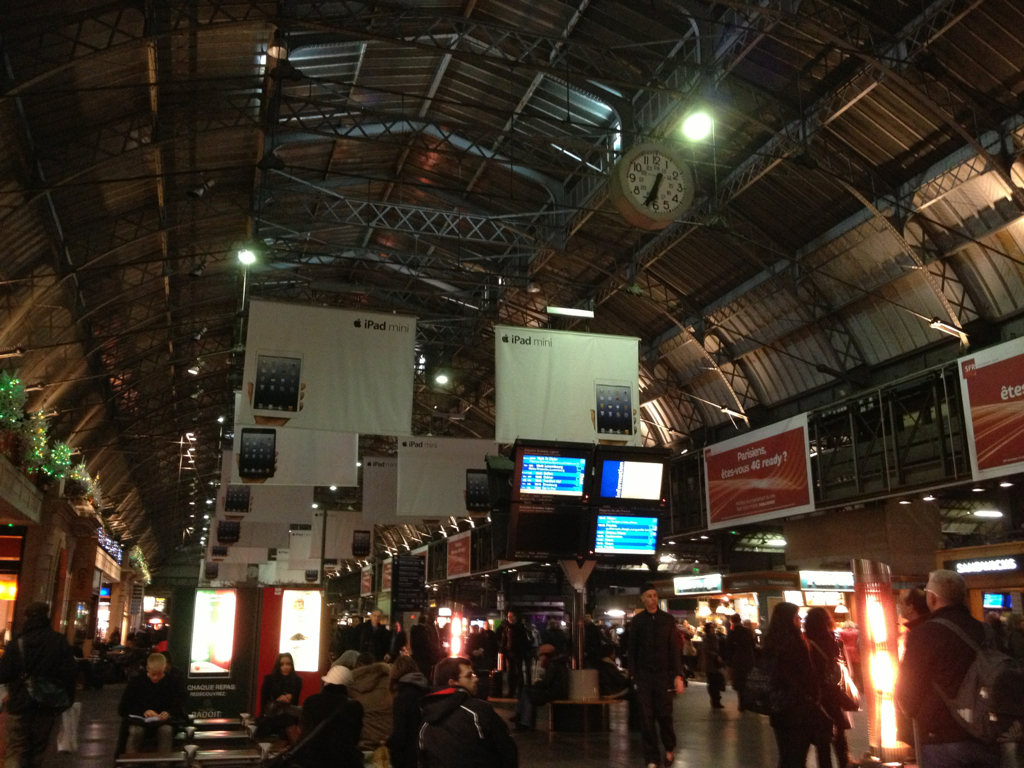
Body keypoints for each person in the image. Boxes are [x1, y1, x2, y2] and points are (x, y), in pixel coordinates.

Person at [895, 569, 1001, 768]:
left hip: (941, 736)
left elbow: (907, 692)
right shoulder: (986, 631)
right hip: (987, 734)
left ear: (933, 598)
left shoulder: (924, 634)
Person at [0, 601, 77, 768]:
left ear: (26, 617)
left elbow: (4, 673)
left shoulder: (17, 642)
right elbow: (70, 674)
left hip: (19, 703)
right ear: (46, 617)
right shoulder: (58, 641)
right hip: (47, 704)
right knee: (39, 749)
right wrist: (67, 701)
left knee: (16, 749)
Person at [763, 602, 830, 768]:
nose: (800, 620)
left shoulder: (770, 642)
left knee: (786, 756)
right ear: (790, 618)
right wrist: (813, 697)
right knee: (798, 757)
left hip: (779, 707)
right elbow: (806, 675)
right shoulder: (796, 642)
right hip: (799, 708)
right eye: (797, 616)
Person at [419, 656, 518, 768]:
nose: (476, 679)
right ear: (453, 682)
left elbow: (422, 759)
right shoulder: (479, 711)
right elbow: (507, 751)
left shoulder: (425, 717)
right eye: (469, 676)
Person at [628, 583, 685, 768]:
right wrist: (634, 675)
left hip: (663, 675)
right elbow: (632, 651)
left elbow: (674, 649)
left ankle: (669, 746)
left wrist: (678, 675)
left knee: (664, 714)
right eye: (649, 596)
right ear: (643, 599)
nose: (653, 599)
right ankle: (651, 757)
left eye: (655, 595)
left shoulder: (668, 620)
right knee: (646, 718)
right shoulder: (637, 622)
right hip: (644, 677)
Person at [805, 606, 853, 768]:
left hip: (817, 694)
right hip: (834, 692)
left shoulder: (807, 643)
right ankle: (844, 763)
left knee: (822, 739)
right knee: (840, 735)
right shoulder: (834, 641)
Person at [118, 652, 188, 754]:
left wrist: (169, 713)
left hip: (163, 722)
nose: (155, 678)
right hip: (140, 721)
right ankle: (130, 763)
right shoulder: (136, 681)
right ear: (147, 669)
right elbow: (123, 708)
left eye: (159, 674)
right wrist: (143, 711)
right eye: (153, 674)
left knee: (166, 730)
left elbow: (178, 704)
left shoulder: (171, 682)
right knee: (135, 732)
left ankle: (163, 763)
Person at [298, 664, 363, 768]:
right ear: (347, 687)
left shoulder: (311, 701)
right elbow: (355, 738)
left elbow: (304, 732)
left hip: (313, 760)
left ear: (326, 683)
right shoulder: (354, 707)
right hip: (343, 761)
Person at [512, 643, 569, 730]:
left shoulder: (553, 664)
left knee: (528, 693)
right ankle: (520, 716)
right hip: (557, 690)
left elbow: (547, 682)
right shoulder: (557, 663)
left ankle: (525, 720)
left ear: (546, 656)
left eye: (541, 656)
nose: (540, 658)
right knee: (527, 690)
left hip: (554, 692)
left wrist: (536, 684)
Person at [386, 654, 430, 768]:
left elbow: (401, 733)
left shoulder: (402, 698)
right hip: (427, 752)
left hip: (408, 757)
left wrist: (388, 743)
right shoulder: (427, 690)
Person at [347, 651, 393, 752]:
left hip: (360, 745)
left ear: (358, 665)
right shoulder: (389, 680)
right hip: (386, 744)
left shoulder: (349, 684)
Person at [256, 652, 303, 742]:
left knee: (288, 721)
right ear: (278, 666)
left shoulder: (297, 680)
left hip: (288, 715)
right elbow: (264, 704)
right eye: (282, 664)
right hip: (271, 715)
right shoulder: (269, 679)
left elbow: (295, 704)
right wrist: (278, 700)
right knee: (283, 723)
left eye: (288, 664)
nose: (285, 667)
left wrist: (290, 698)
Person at [726, 612, 756, 710]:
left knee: (739, 682)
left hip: (737, 661)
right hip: (748, 659)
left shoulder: (732, 633)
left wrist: (729, 663)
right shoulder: (747, 632)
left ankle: (742, 704)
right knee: (748, 681)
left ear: (732, 621)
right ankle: (749, 703)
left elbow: (729, 649)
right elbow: (753, 646)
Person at [499, 610, 531, 698]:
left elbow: (505, 640)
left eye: (510, 616)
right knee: (512, 673)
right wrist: (501, 651)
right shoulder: (514, 627)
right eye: (508, 616)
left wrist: (502, 650)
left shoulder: (513, 627)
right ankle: (513, 691)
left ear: (514, 617)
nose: (508, 618)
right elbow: (504, 640)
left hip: (517, 653)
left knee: (516, 672)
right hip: (512, 653)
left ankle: (517, 691)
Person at [701, 621, 725, 709]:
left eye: (713, 627)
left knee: (717, 682)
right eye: (711, 627)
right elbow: (706, 650)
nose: (713, 629)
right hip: (710, 663)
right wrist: (715, 655)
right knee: (712, 683)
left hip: (716, 663)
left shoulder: (716, 637)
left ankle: (717, 700)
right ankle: (714, 700)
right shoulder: (706, 638)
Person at [411, 612, 441, 680]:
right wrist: (436, 652)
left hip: (417, 655)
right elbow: (428, 643)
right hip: (426, 656)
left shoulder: (414, 629)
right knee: (426, 673)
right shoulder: (425, 630)